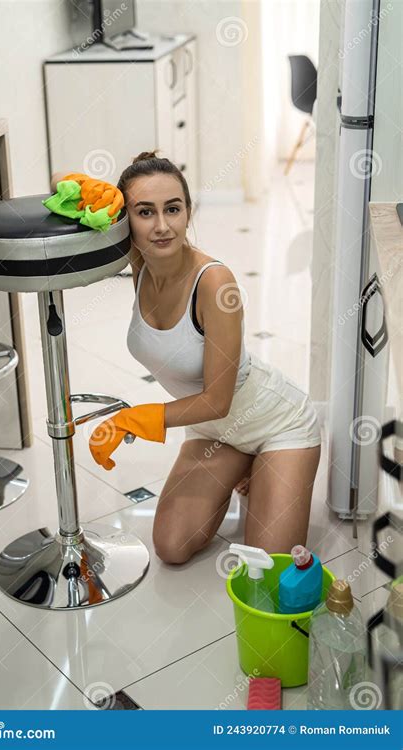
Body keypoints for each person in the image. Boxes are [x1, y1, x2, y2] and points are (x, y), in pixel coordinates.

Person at [50, 152, 321, 562]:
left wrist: (133, 418)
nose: (162, 226)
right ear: (127, 220)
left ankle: (262, 461)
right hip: (212, 433)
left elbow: (218, 400)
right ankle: (241, 464)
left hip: (275, 423)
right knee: (172, 547)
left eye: (173, 209)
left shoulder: (214, 283)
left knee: (269, 566)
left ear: (188, 212)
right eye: (145, 212)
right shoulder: (141, 260)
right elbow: (56, 179)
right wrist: (96, 192)